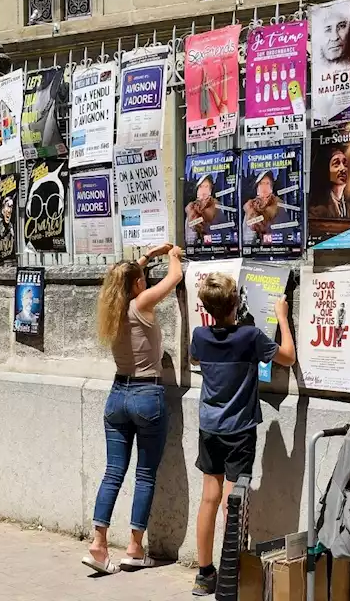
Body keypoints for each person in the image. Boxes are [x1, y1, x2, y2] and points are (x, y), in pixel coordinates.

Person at [189, 273, 296, 595]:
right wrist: (282, 318)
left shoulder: (199, 335)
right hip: (239, 430)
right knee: (233, 503)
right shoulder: (250, 337)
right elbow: (287, 356)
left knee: (210, 497)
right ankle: (232, 575)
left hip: (210, 426)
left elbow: (196, 357)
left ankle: (204, 573)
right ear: (236, 303)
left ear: (206, 308)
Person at [82, 243, 184, 575]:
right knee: (144, 474)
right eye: (141, 277)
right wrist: (171, 256)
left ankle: (98, 546)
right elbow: (175, 277)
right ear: (137, 284)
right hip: (146, 394)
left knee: (113, 472)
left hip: (117, 395)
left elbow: (120, 277)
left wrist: (145, 257)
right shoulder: (142, 302)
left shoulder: (111, 306)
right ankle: (135, 548)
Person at [309, 146, 350, 219]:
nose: (343, 168)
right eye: (336, 164)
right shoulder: (318, 208)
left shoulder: (346, 204)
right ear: (326, 170)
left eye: (345, 164)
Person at [242, 170, 281, 243]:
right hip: (254, 250)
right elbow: (246, 237)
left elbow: (283, 233)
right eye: (261, 184)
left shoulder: (279, 207)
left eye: (267, 183)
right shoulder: (250, 208)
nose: (264, 187)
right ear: (257, 190)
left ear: (271, 189)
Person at [185, 175, 218, 241]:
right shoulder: (191, 210)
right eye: (201, 187)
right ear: (197, 191)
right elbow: (189, 238)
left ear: (210, 191)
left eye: (206, 186)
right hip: (196, 248)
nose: (203, 190)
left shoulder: (217, 208)